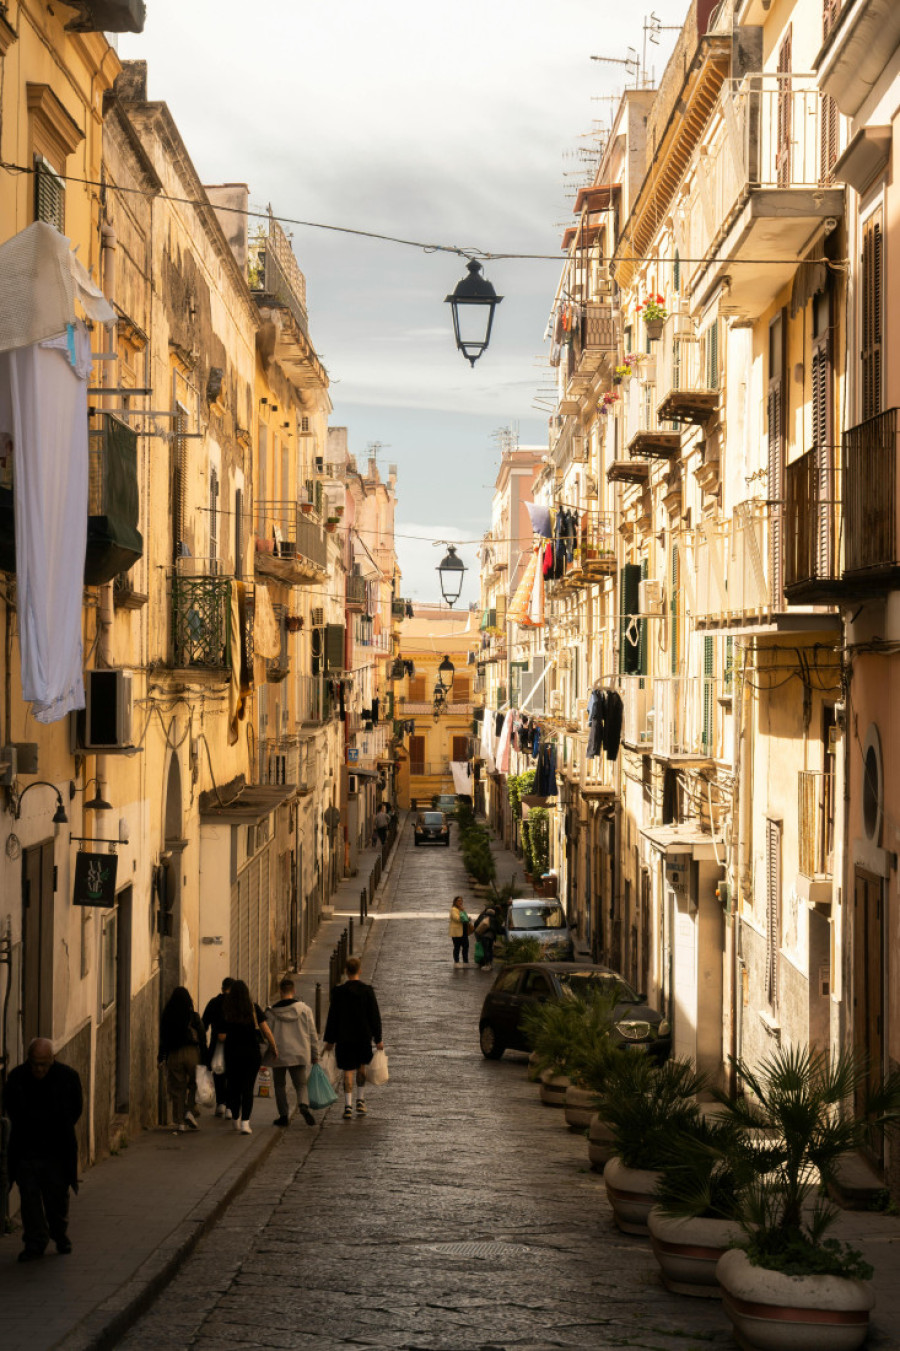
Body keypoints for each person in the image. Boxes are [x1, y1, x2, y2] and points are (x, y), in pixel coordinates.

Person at [5, 1039, 83, 1262]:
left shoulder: (67, 1078)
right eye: (35, 1064)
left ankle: (59, 1233)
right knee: (29, 1197)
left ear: (52, 1060)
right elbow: (11, 1107)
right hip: (27, 1149)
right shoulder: (17, 1078)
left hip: (57, 1151)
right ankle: (35, 1241)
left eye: (44, 1065)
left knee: (56, 1197)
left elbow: (76, 1109)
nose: (39, 1069)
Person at [323, 956, 383, 1120]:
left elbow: (332, 1017)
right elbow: (374, 1016)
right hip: (363, 1036)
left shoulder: (338, 993)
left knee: (347, 1071)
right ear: (359, 970)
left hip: (344, 1037)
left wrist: (330, 1040)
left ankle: (348, 1105)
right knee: (361, 1067)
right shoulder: (367, 991)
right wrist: (378, 1039)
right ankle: (361, 1100)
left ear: (346, 971)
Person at [215, 979, 277, 1134]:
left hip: (232, 1054)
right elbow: (266, 1029)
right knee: (248, 1088)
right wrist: (274, 1046)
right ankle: (245, 1123)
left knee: (234, 1087)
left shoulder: (226, 1010)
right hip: (251, 1054)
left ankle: (235, 1118)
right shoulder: (253, 1008)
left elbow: (221, 1036)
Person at [264, 977, 319, 1127]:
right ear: (294, 991)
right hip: (299, 1052)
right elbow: (313, 1034)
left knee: (279, 1085)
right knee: (301, 1084)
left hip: (279, 1054)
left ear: (280, 991)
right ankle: (303, 1104)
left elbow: (266, 1034)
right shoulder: (305, 1010)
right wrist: (315, 1055)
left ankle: (283, 1115)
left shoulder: (271, 1012)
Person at [159, 986, 207, 1132]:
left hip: (174, 1054)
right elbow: (202, 1037)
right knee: (193, 1083)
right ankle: (190, 1111)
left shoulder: (167, 1016)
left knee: (177, 1087)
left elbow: (164, 1039)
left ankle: (180, 1122)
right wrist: (205, 1057)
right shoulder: (193, 1016)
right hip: (192, 1053)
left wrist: (161, 1057)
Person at [202, 976, 233, 1117]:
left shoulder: (213, 1003)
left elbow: (204, 1024)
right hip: (233, 1044)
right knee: (232, 1074)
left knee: (219, 1073)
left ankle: (221, 1103)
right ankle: (230, 1107)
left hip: (217, 1044)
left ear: (222, 988)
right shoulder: (237, 1004)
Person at [473, 905, 499, 971]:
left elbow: (476, 924)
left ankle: (487, 965)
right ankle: (490, 964)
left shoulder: (482, 917)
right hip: (491, 937)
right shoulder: (494, 919)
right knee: (490, 950)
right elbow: (497, 929)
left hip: (484, 936)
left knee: (486, 950)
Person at [449, 896, 471, 965]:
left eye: (461, 900)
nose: (460, 902)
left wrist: (467, 918)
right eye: (458, 900)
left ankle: (465, 961)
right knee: (457, 947)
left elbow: (466, 919)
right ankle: (457, 961)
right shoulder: (454, 910)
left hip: (464, 931)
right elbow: (457, 919)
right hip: (457, 932)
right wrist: (462, 912)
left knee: (466, 946)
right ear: (455, 902)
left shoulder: (461, 909)